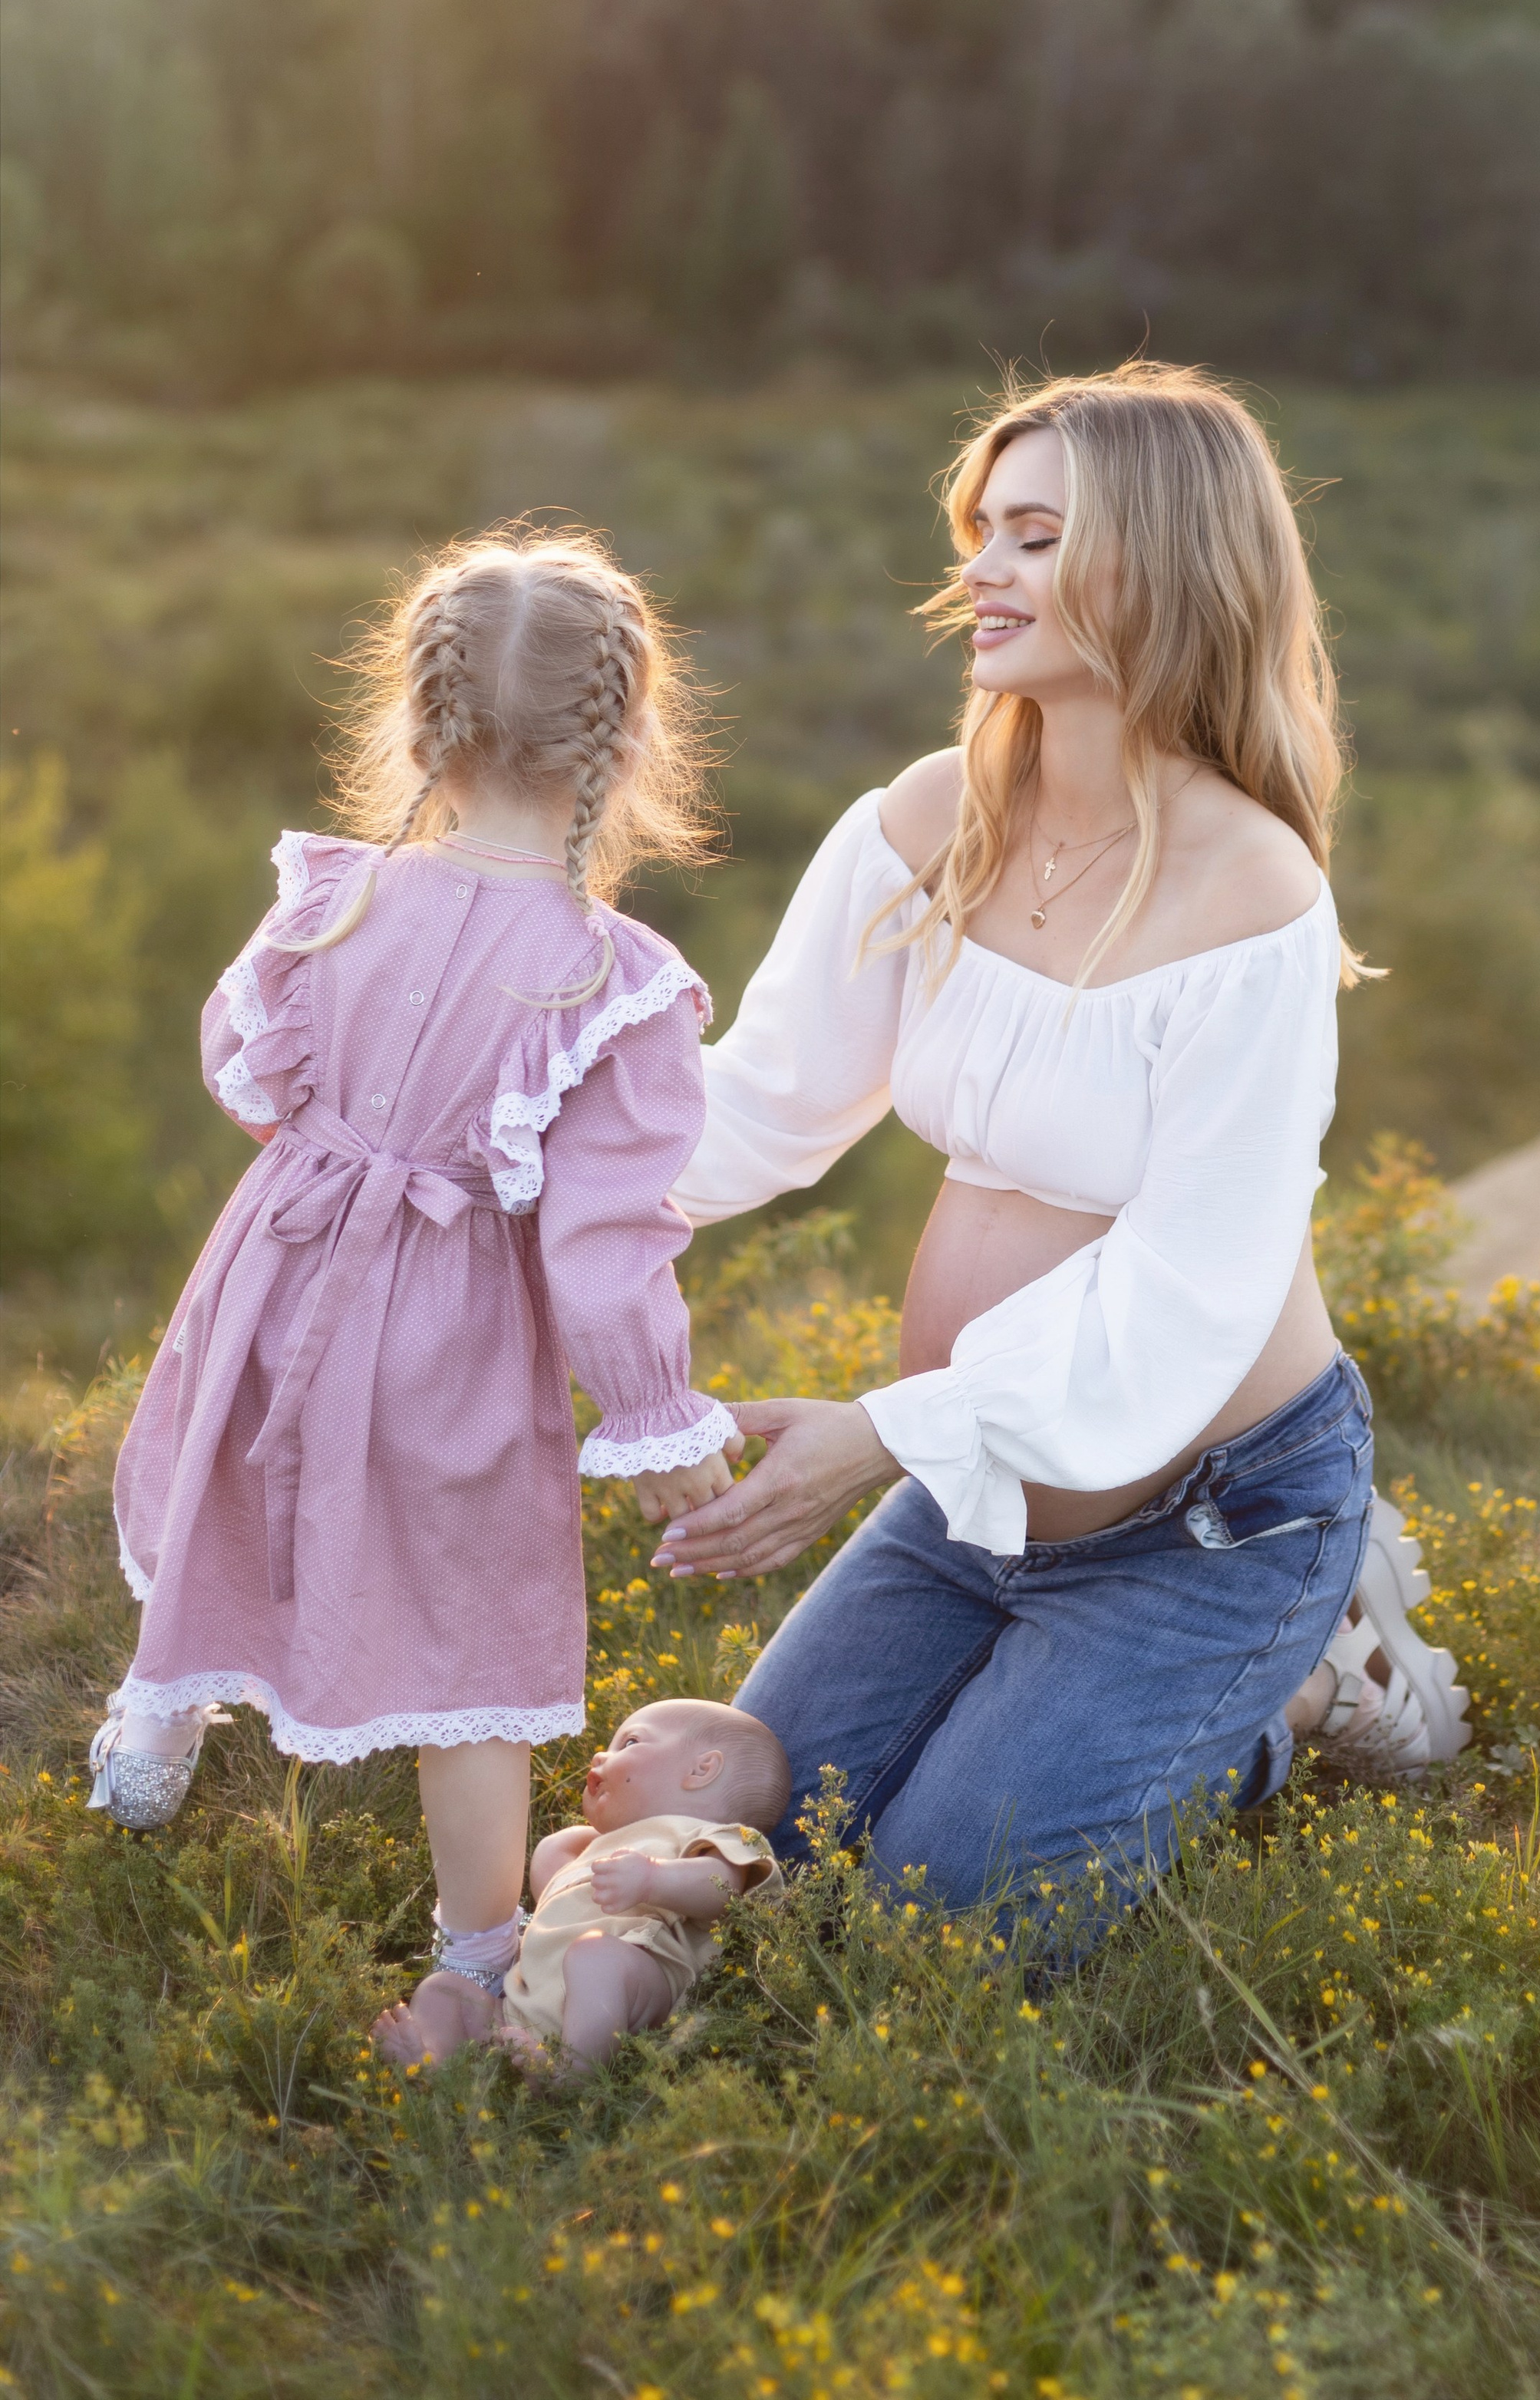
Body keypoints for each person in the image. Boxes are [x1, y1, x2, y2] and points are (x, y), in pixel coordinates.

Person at [657, 364, 1469, 1917]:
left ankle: (1297, 1684)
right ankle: (1121, 1707)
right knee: (755, 1827)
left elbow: (1188, 1286)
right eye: (982, 531)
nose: (977, 570)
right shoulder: (920, 824)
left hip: (1210, 1515)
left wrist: (884, 1430)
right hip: (979, 1486)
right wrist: (500, 1166)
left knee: (930, 1921)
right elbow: (755, 1102)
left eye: (1031, 537)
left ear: (1156, 568)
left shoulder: (1251, 896)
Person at [92, 529, 747, 2029]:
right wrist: (655, 1409)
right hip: (446, 1327)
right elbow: (602, 1242)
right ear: (632, 736)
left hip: (277, 1257)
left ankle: (159, 1704)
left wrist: (343, 1153)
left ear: (414, 724)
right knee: (474, 1613)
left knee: (232, 1474)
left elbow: (236, 1068)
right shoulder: (608, 980)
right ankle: (469, 1956)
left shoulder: (330, 897)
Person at [373, 1698, 789, 2080]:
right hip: (517, 2011)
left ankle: (571, 2073)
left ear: (701, 1770)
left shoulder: (714, 1836)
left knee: (595, 1956)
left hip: (630, 1986)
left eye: (629, 1741)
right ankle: (433, 2064)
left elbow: (722, 1889)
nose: (600, 1755)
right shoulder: (609, 1845)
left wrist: (653, 1878)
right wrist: (564, 1852)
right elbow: (560, 1897)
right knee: (443, 1989)